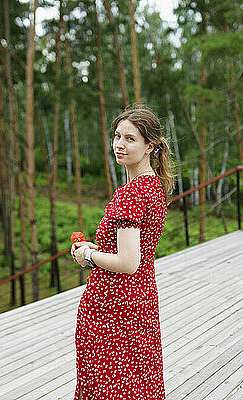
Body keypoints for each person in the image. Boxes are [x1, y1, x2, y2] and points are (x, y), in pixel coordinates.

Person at [70, 104, 176, 399]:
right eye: (117, 136)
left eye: (130, 139)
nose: (119, 144)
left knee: (109, 385)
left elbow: (128, 262)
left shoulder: (130, 194)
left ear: (149, 146)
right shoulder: (153, 186)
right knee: (136, 382)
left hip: (113, 308)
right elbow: (134, 251)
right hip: (140, 300)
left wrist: (87, 256)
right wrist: (98, 247)